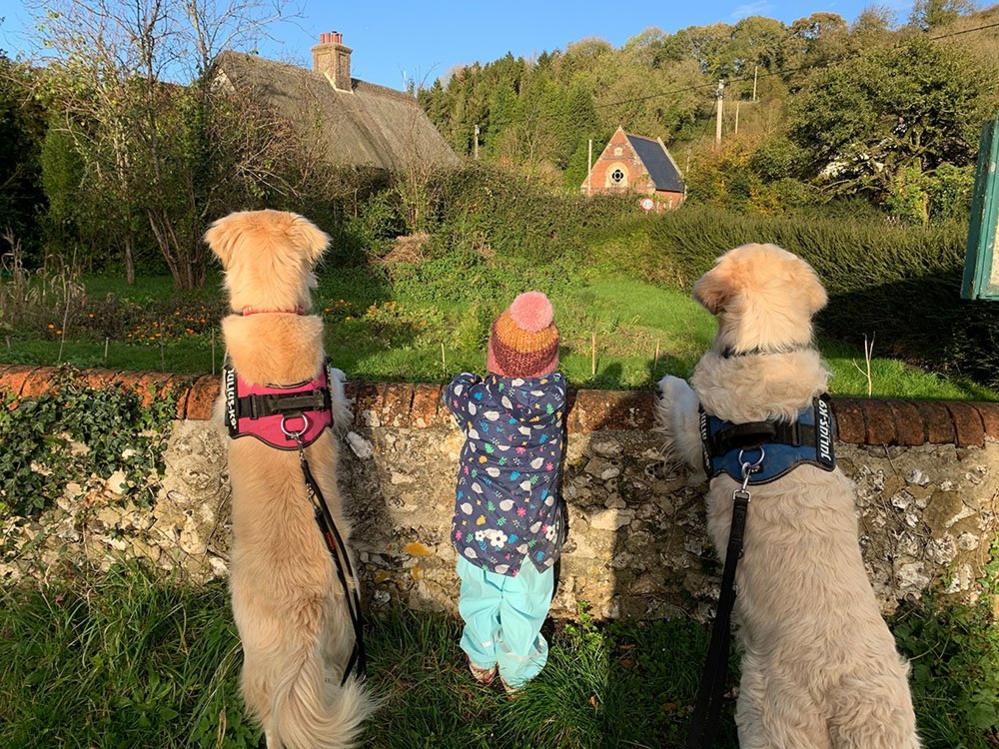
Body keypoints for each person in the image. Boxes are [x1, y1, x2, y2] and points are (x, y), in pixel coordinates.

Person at [442, 291, 567, 694]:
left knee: (478, 596)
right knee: (526, 605)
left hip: (482, 528)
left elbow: (453, 388)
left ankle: (481, 659)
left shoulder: (477, 401)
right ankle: (518, 673)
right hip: (534, 534)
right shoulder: (557, 399)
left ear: (494, 356)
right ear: (551, 362)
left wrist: (476, 378)